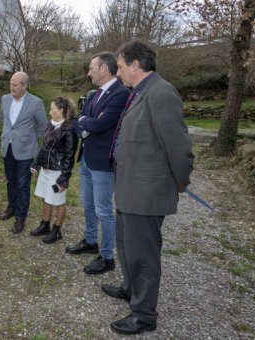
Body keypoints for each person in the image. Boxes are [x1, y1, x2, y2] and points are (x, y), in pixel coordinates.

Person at [102, 41, 193, 335]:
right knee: (126, 246)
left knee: (143, 255)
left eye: (120, 66)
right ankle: (130, 289)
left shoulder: (161, 93)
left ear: (135, 65)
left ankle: (144, 315)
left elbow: (179, 147)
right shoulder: (138, 93)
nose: (118, 73)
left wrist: (179, 182)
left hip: (146, 193)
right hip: (129, 189)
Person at [67, 52, 130, 275]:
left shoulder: (121, 93)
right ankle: (91, 240)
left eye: (92, 68)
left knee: (104, 210)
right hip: (86, 157)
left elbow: (99, 124)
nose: (89, 72)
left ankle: (107, 256)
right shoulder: (95, 94)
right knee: (88, 204)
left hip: (102, 162)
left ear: (104, 69)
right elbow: (79, 120)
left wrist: (87, 124)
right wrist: (87, 123)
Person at [0, 72, 48, 233]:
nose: (11, 87)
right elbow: (3, 120)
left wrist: (41, 151)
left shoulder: (36, 103)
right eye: (10, 84)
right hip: (8, 147)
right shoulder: (5, 99)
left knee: (22, 184)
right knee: (10, 181)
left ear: (25, 85)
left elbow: (42, 126)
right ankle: (11, 207)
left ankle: (20, 218)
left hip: (26, 150)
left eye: (15, 84)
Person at [29, 97, 77, 244]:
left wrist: (64, 178)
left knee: (58, 201)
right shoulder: (49, 124)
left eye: (52, 109)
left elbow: (70, 156)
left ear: (61, 110)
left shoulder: (69, 129)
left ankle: (57, 230)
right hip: (46, 169)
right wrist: (37, 164)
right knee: (45, 197)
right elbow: (44, 147)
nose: (50, 112)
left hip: (58, 172)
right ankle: (45, 224)